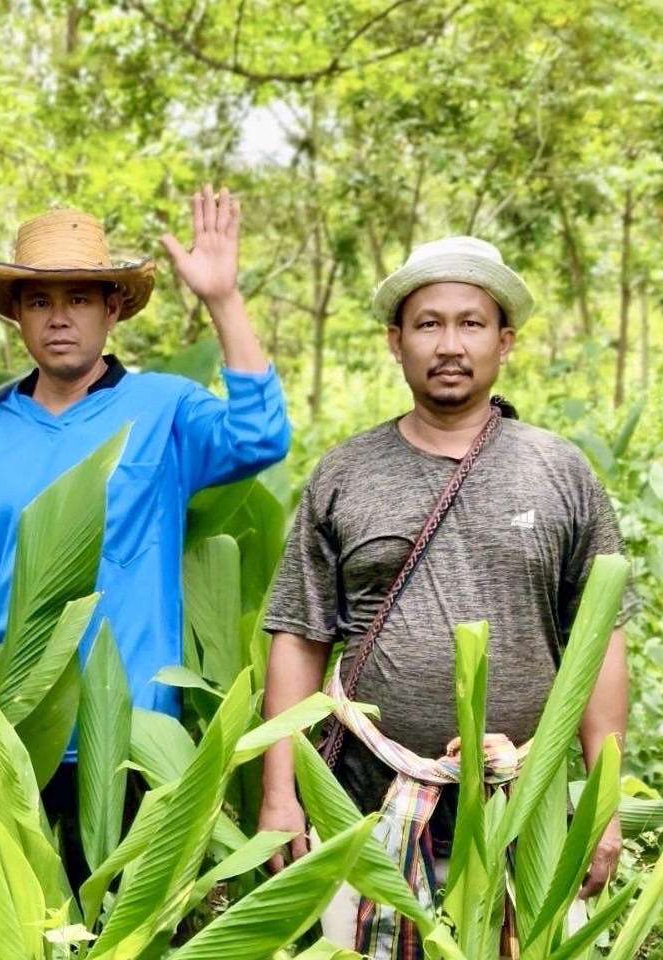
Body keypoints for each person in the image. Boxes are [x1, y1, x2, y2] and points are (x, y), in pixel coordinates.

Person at [257, 236, 633, 954]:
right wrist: (281, 792)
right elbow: (299, 638)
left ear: (505, 341)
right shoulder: (345, 473)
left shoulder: (560, 471)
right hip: (366, 809)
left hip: (527, 809)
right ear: (396, 342)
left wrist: (603, 806)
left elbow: (600, 641)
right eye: (428, 324)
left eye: (471, 323)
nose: (450, 344)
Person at [0, 185, 291, 882]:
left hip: (131, 731)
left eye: (79, 298)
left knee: (127, 920)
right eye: (39, 301)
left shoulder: (163, 406)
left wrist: (223, 300)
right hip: (20, 725)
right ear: (17, 316)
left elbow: (260, 436)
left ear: (112, 308)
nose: (59, 318)